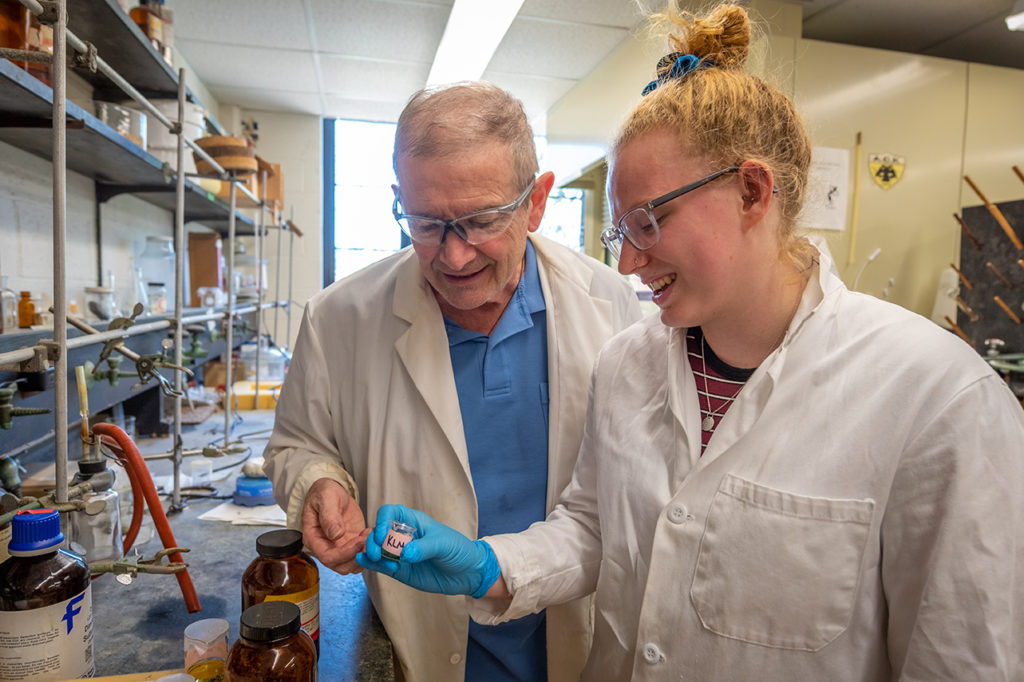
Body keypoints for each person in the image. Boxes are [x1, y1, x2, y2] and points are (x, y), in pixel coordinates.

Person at [357, 4, 1024, 680]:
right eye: (621, 231)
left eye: (647, 221)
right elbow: (596, 530)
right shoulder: (628, 362)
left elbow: (963, 661)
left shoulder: (938, 401)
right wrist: (489, 566)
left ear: (752, 191)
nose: (624, 263)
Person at [263, 81, 642, 682]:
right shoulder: (340, 317)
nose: (455, 256)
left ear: (536, 202)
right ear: (399, 200)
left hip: (576, 638)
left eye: (481, 220)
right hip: (419, 638)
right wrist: (318, 484)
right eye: (426, 223)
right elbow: (296, 444)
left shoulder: (612, 308)